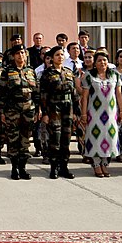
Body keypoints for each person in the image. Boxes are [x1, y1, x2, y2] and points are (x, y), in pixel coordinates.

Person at [80, 51, 122, 177]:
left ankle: (105, 164)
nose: (102, 63)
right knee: (95, 137)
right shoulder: (89, 76)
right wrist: (83, 114)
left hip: (111, 114)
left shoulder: (115, 75)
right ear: (94, 62)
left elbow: (119, 95)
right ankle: (96, 164)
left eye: (104, 60)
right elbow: (85, 97)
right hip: (94, 113)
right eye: (99, 60)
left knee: (110, 137)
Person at [0, 44, 40, 180]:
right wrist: (2, 112)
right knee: (13, 139)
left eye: (22, 53)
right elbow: (2, 93)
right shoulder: (7, 71)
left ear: (25, 55)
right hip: (12, 110)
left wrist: (38, 109)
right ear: (13, 56)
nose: (20, 55)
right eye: (17, 53)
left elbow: (36, 93)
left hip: (29, 110)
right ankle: (14, 168)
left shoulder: (30, 71)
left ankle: (23, 168)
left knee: (25, 139)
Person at [39, 46, 80, 179]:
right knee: (55, 138)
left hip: (68, 109)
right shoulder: (47, 74)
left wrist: (76, 111)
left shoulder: (68, 72)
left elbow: (74, 93)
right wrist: (44, 113)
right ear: (52, 58)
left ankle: (64, 167)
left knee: (66, 138)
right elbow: (43, 94)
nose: (60, 57)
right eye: (57, 55)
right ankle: (54, 167)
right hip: (53, 109)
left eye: (62, 55)